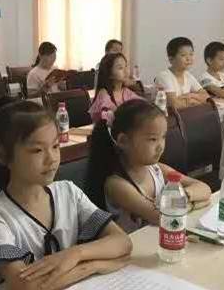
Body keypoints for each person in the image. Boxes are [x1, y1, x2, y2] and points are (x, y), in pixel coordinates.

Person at [0, 101, 132, 290]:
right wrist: (94, 266)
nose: (52, 158)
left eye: (55, 146)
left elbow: (122, 241)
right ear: (2, 155)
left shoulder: (68, 192)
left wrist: (75, 254)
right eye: (37, 150)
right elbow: (25, 286)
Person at [86, 99, 211, 233]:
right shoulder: (116, 184)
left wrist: (185, 196)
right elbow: (162, 217)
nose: (160, 146)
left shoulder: (158, 170)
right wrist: (194, 203)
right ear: (123, 141)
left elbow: (205, 188)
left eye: (163, 137)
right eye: (153, 139)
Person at [155, 37, 209, 109]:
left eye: (191, 54)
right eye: (183, 55)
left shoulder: (188, 75)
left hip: (185, 114)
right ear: (171, 59)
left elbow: (206, 97)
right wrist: (194, 100)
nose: (188, 58)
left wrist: (191, 95)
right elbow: (175, 105)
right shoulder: (164, 76)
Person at [88, 52, 142, 123]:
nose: (126, 71)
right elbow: (106, 118)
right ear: (109, 73)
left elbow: (143, 106)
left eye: (126, 66)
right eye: (120, 68)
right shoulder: (104, 93)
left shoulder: (126, 92)